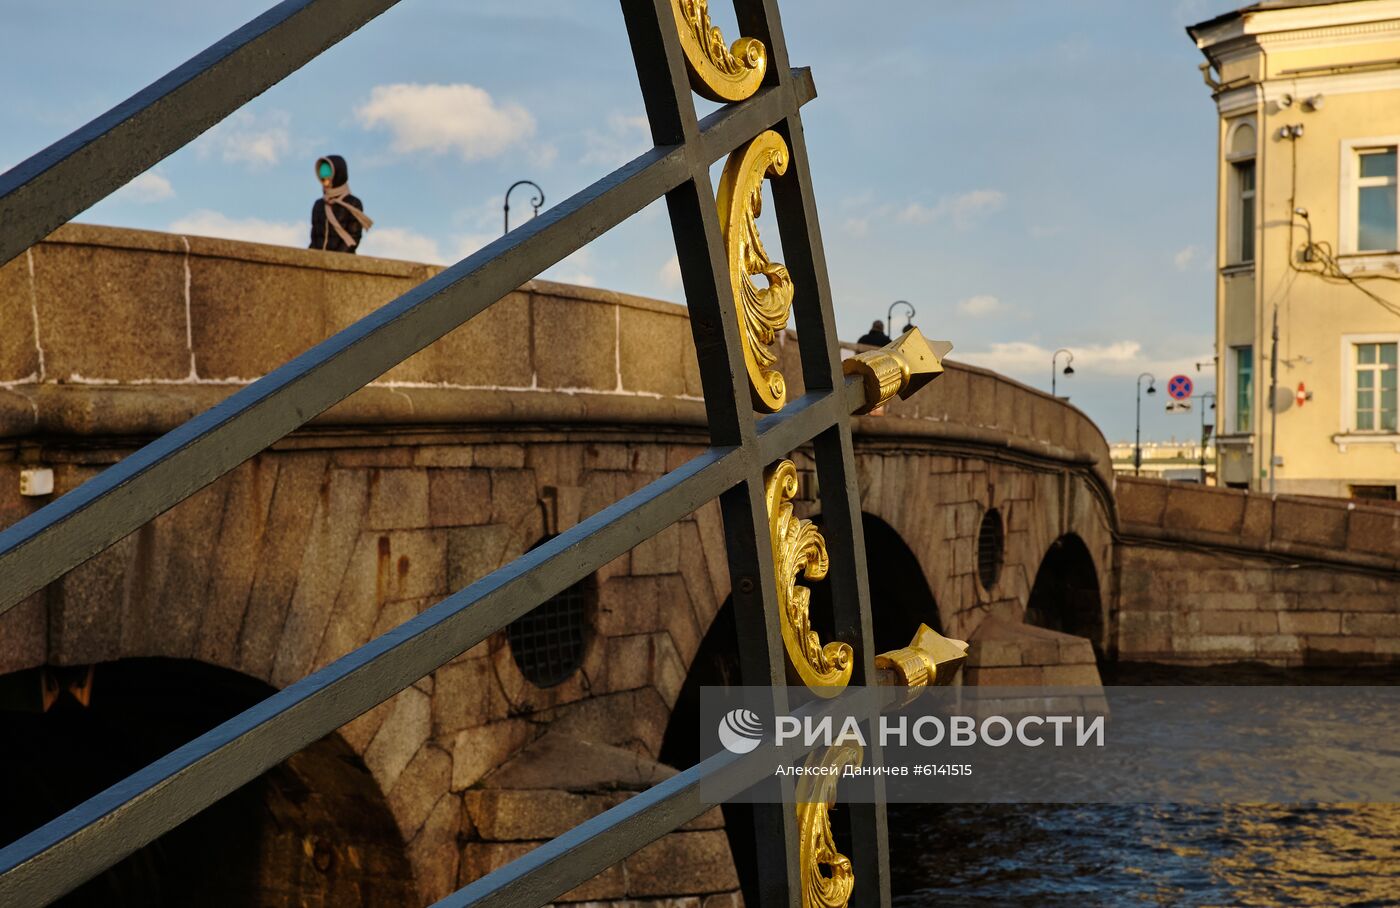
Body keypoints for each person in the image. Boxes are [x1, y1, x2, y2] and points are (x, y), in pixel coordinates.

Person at [310, 155, 372, 253]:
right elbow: (314, 238)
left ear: (337, 175)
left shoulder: (353, 203)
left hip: (342, 259)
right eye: (322, 178)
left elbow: (354, 237)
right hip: (319, 259)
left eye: (328, 177)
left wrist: (334, 258)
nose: (325, 182)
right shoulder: (319, 205)